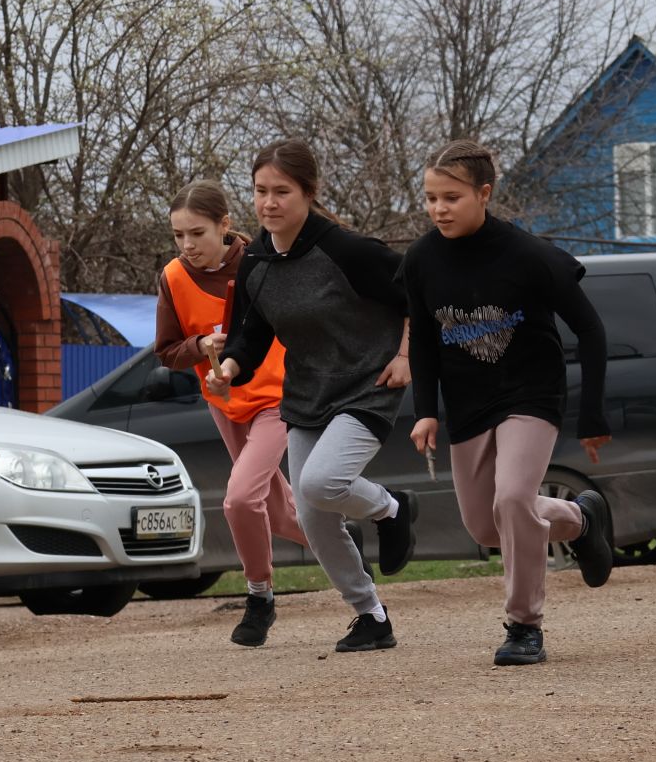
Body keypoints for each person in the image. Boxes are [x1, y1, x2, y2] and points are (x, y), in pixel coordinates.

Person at [401, 140, 617, 666]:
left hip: (530, 394)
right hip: (468, 403)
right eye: (430, 198)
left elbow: (589, 329)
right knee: (486, 525)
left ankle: (524, 625)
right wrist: (424, 408)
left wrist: (592, 412)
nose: (438, 209)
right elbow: (424, 341)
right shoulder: (422, 260)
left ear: (484, 193)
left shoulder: (529, 256)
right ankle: (582, 519)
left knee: (514, 498)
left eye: (451, 197)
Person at [210, 141, 419, 654]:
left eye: (282, 191)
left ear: (309, 193)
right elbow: (252, 332)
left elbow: (415, 294)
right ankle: (371, 615)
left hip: (367, 384)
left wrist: (407, 356)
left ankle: (391, 509)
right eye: (261, 191)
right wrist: (231, 367)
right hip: (307, 391)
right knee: (311, 511)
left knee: (323, 482)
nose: (269, 203)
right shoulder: (256, 258)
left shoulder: (347, 250)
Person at [154, 179, 308, 647]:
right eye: (178, 235)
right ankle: (347, 543)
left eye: (196, 233)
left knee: (240, 499)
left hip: (278, 398)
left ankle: (259, 597)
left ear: (224, 225)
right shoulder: (174, 277)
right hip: (225, 404)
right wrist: (198, 346)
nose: (187, 246)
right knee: (279, 515)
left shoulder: (265, 260)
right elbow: (165, 351)